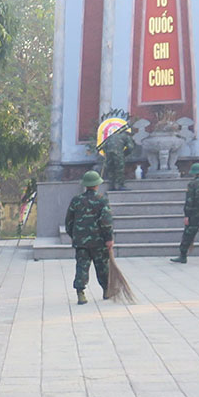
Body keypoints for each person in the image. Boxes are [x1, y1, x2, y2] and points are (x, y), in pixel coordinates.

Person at [66, 170, 115, 304]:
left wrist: (75, 236)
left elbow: (69, 222)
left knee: (82, 267)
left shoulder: (76, 200)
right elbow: (106, 222)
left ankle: (80, 293)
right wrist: (109, 238)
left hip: (81, 242)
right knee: (102, 267)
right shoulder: (102, 200)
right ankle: (106, 290)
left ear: (85, 185)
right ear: (97, 185)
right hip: (99, 242)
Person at [170, 163, 199, 265]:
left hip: (194, 215)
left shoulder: (192, 185)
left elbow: (189, 201)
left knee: (188, 235)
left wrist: (187, 215)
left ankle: (183, 256)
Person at [98, 125, 134, 191]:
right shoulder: (126, 136)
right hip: (117, 153)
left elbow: (104, 146)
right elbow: (130, 147)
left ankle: (112, 186)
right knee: (119, 168)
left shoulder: (112, 136)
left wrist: (107, 154)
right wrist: (124, 154)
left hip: (108, 153)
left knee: (111, 169)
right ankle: (120, 185)